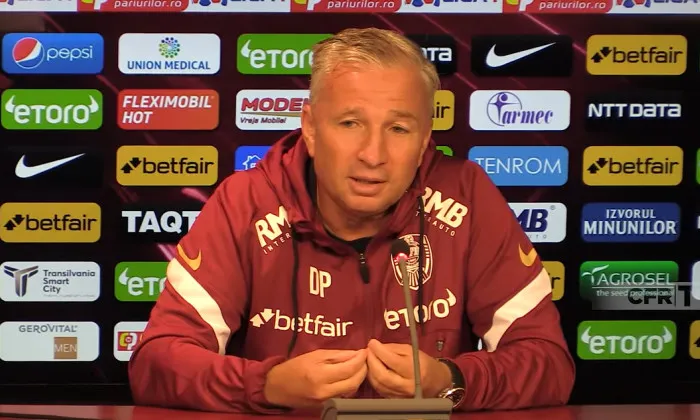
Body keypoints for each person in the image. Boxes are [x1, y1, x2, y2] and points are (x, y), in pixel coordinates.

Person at [128, 27, 575, 413]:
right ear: (310, 127)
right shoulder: (245, 202)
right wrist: (268, 386)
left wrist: (452, 380)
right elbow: (156, 362)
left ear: (424, 140)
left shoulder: (467, 195)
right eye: (349, 123)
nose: (373, 155)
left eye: (398, 129)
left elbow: (549, 363)